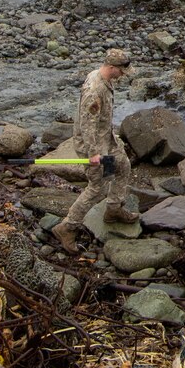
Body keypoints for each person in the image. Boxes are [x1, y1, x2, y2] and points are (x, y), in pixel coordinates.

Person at [51, 47, 131, 253]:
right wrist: (94, 154)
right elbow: (88, 126)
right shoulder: (95, 90)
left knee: (122, 165)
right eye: (121, 71)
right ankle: (67, 227)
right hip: (94, 145)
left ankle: (113, 208)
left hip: (107, 140)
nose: (123, 75)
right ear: (111, 67)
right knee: (97, 187)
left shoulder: (102, 78)